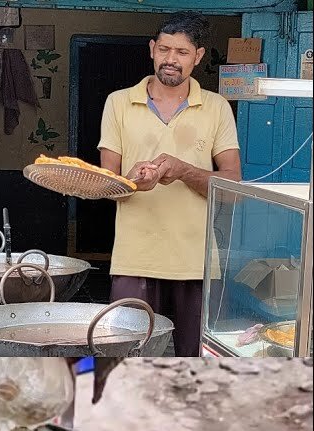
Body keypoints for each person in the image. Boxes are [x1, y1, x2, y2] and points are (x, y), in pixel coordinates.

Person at [98, 11, 241, 357]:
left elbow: (233, 184)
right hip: (135, 258)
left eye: (181, 52)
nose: (170, 60)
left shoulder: (216, 107)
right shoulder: (119, 102)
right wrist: (133, 181)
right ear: (151, 49)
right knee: (127, 356)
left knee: (194, 359)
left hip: (196, 260)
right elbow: (108, 181)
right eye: (164, 49)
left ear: (198, 56)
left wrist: (183, 170)